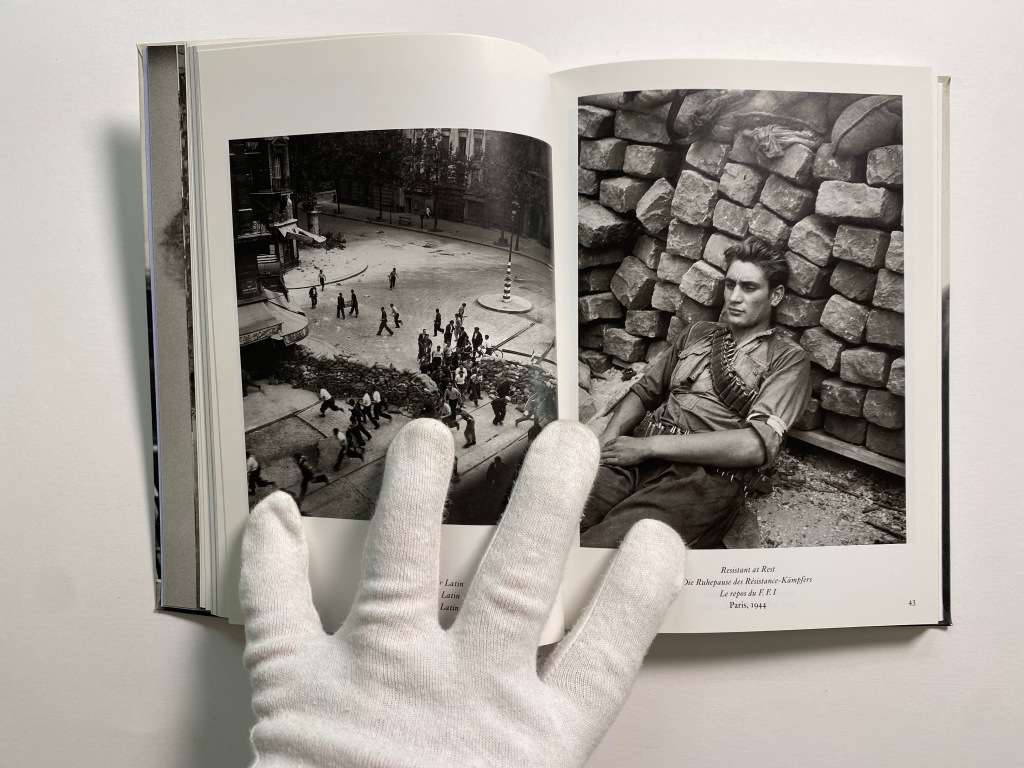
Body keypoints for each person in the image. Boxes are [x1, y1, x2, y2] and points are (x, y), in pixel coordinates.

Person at [581, 236, 812, 550]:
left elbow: (754, 446)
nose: (734, 297)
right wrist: (608, 439)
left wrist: (649, 447)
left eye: (749, 288)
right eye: (730, 285)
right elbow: (645, 391)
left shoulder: (788, 359)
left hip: (701, 479)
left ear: (776, 295)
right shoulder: (699, 333)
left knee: (604, 548)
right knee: (560, 515)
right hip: (634, 457)